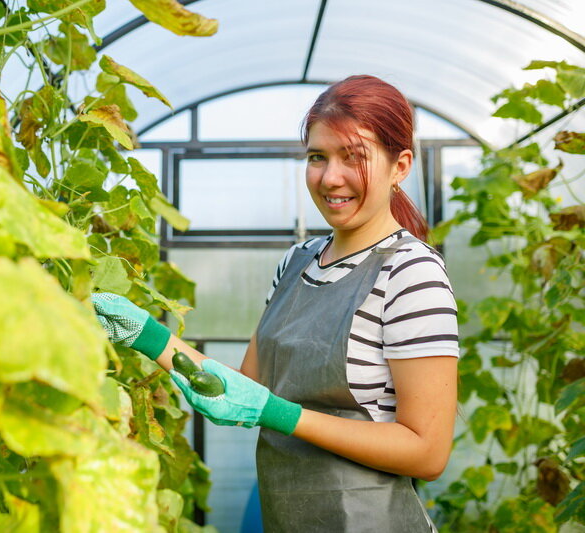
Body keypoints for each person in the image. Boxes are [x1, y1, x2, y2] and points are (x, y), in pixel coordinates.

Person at [92, 75, 459, 532]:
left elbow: (428, 452)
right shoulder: (297, 261)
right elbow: (243, 389)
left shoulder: (410, 270)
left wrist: (280, 414)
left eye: (354, 157)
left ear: (400, 165)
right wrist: (145, 333)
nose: (330, 178)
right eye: (317, 157)